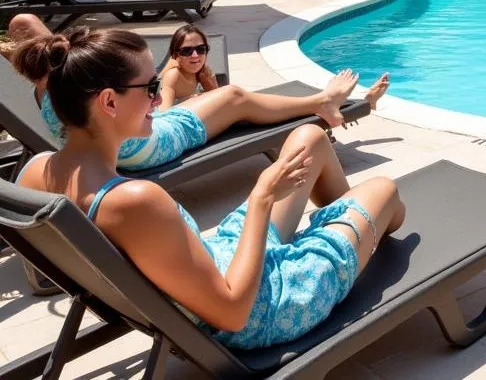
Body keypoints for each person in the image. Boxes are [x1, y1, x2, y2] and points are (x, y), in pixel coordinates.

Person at [16, 26, 405, 349]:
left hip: (220, 261)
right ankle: (345, 237)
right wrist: (262, 197)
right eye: (150, 88)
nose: (158, 101)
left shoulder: (34, 173)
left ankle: (340, 232)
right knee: (385, 190)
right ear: (109, 103)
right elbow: (233, 313)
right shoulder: (136, 201)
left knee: (311, 137)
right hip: (264, 306)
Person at [8, 14, 387, 172]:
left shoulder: (51, 94)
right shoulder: (123, 125)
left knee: (230, 98)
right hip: (151, 144)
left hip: (116, 137)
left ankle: (324, 103)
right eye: (149, 88)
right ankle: (321, 103)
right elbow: (159, 113)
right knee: (236, 97)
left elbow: (22, 23)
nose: (154, 95)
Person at [158, 24, 220, 108]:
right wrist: (191, 100)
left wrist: (209, 86)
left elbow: (219, 104)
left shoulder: (205, 72)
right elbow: (163, 114)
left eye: (200, 49)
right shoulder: (173, 75)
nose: (195, 55)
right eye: (186, 51)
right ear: (175, 54)